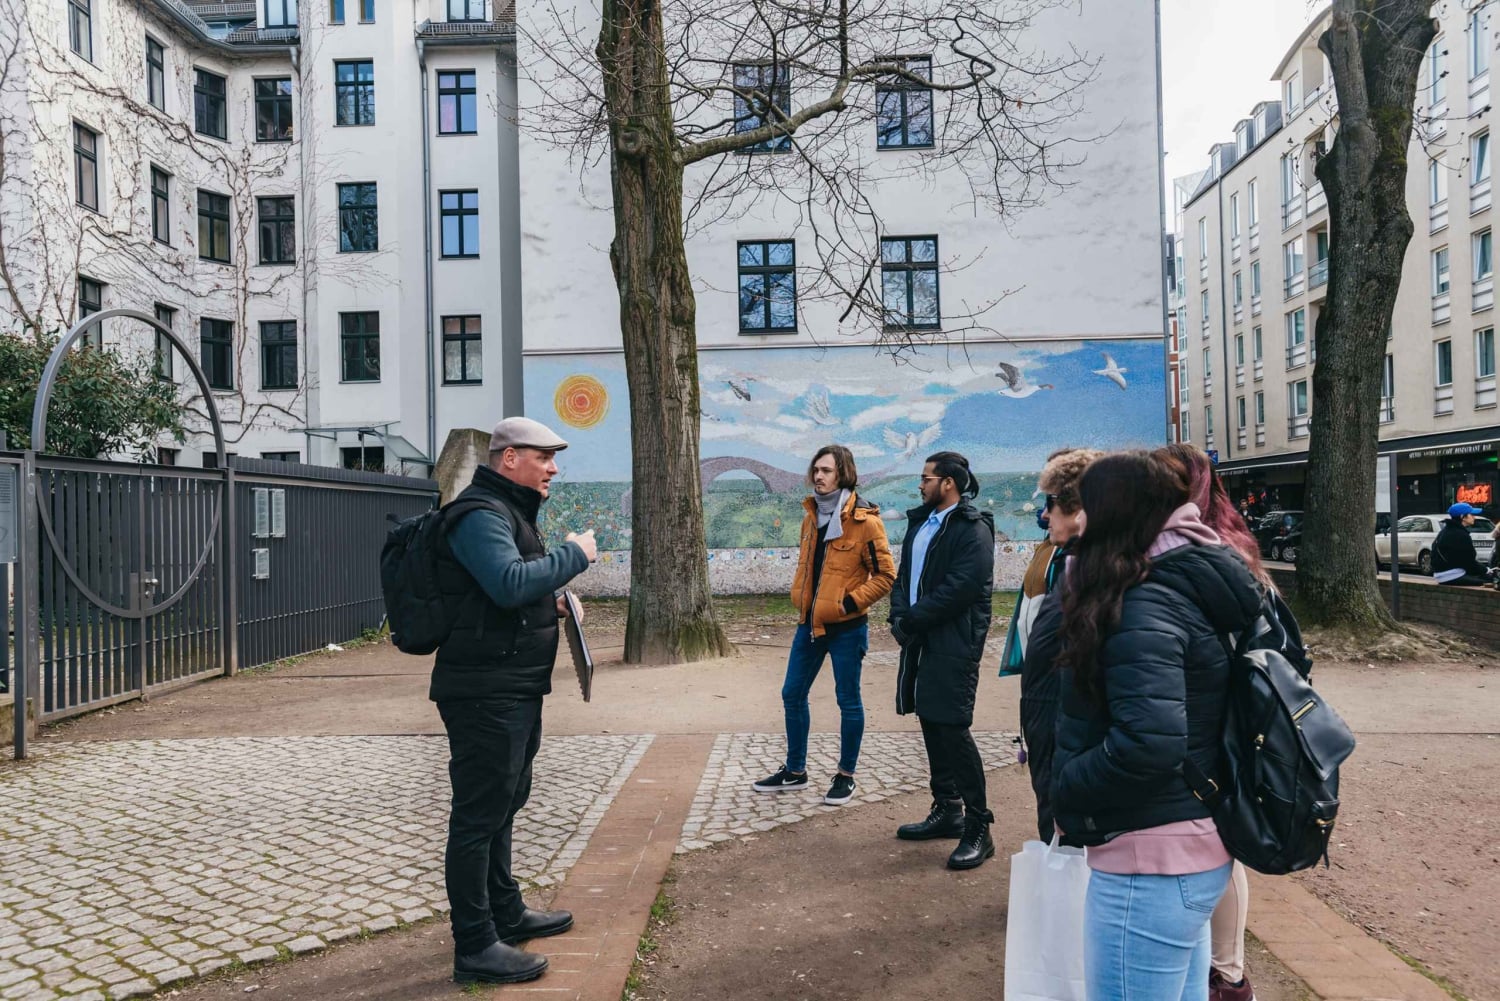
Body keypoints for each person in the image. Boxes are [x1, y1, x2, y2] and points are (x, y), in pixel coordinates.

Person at [1052, 451, 1262, 1000]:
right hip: (1188, 844)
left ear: (1114, 514)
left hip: (1150, 863)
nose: (1077, 521)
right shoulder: (1180, 582)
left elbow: (1149, 743)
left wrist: (1068, 784)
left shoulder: (1143, 603)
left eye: (1086, 507)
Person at [433, 417, 599, 985]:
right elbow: (506, 582)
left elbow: (502, 596)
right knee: (479, 816)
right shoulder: (481, 514)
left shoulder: (507, 513)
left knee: (504, 804)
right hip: (485, 694)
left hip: (512, 688)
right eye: (545, 456)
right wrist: (574, 555)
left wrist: (547, 606)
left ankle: (504, 910)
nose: (553, 467)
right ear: (510, 460)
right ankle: (475, 944)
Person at [1157, 443, 1308, 1001]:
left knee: (1221, 847)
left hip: (1225, 721)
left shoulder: (1208, 551)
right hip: (1222, 717)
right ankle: (1225, 968)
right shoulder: (1230, 544)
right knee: (1219, 846)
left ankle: (1229, 971)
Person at [753, 445, 897, 805]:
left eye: (827, 470)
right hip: (809, 624)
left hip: (848, 627)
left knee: (847, 699)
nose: (819, 476)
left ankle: (846, 774)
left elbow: (885, 576)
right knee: (792, 693)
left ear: (843, 473)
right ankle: (795, 771)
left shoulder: (866, 522)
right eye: (816, 469)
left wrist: (848, 603)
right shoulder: (810, 515)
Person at [889, 451, 998, 870]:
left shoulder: (973, 529)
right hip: (921, 637)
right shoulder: (921, 522)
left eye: (926, 477)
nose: (920, 484)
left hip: (954, 641)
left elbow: (962, 587)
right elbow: (905, 576)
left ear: (948, 482)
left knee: (951, 726)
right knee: (931, 720)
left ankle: (978, 827)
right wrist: (899, 614)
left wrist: (912, 619)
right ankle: (948, 808)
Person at [1002, 447, 1101, 841]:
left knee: (1066, 811)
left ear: (1079, 509)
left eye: (1052, 503)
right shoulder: (1064, 555)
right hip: (1045, 702)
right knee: (1051, 801)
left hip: (1064, 711)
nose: (1044, 515)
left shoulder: (1095, 569)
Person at [1432, 502, 1490, 586]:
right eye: (1471, 514)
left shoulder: (1446, 531)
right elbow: (1469, 562)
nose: (1474, 517)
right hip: (1452, 575)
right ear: (1462, 517)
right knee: (1489, 581)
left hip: (1442, 574)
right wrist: (1486, 570)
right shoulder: (1460, 535)